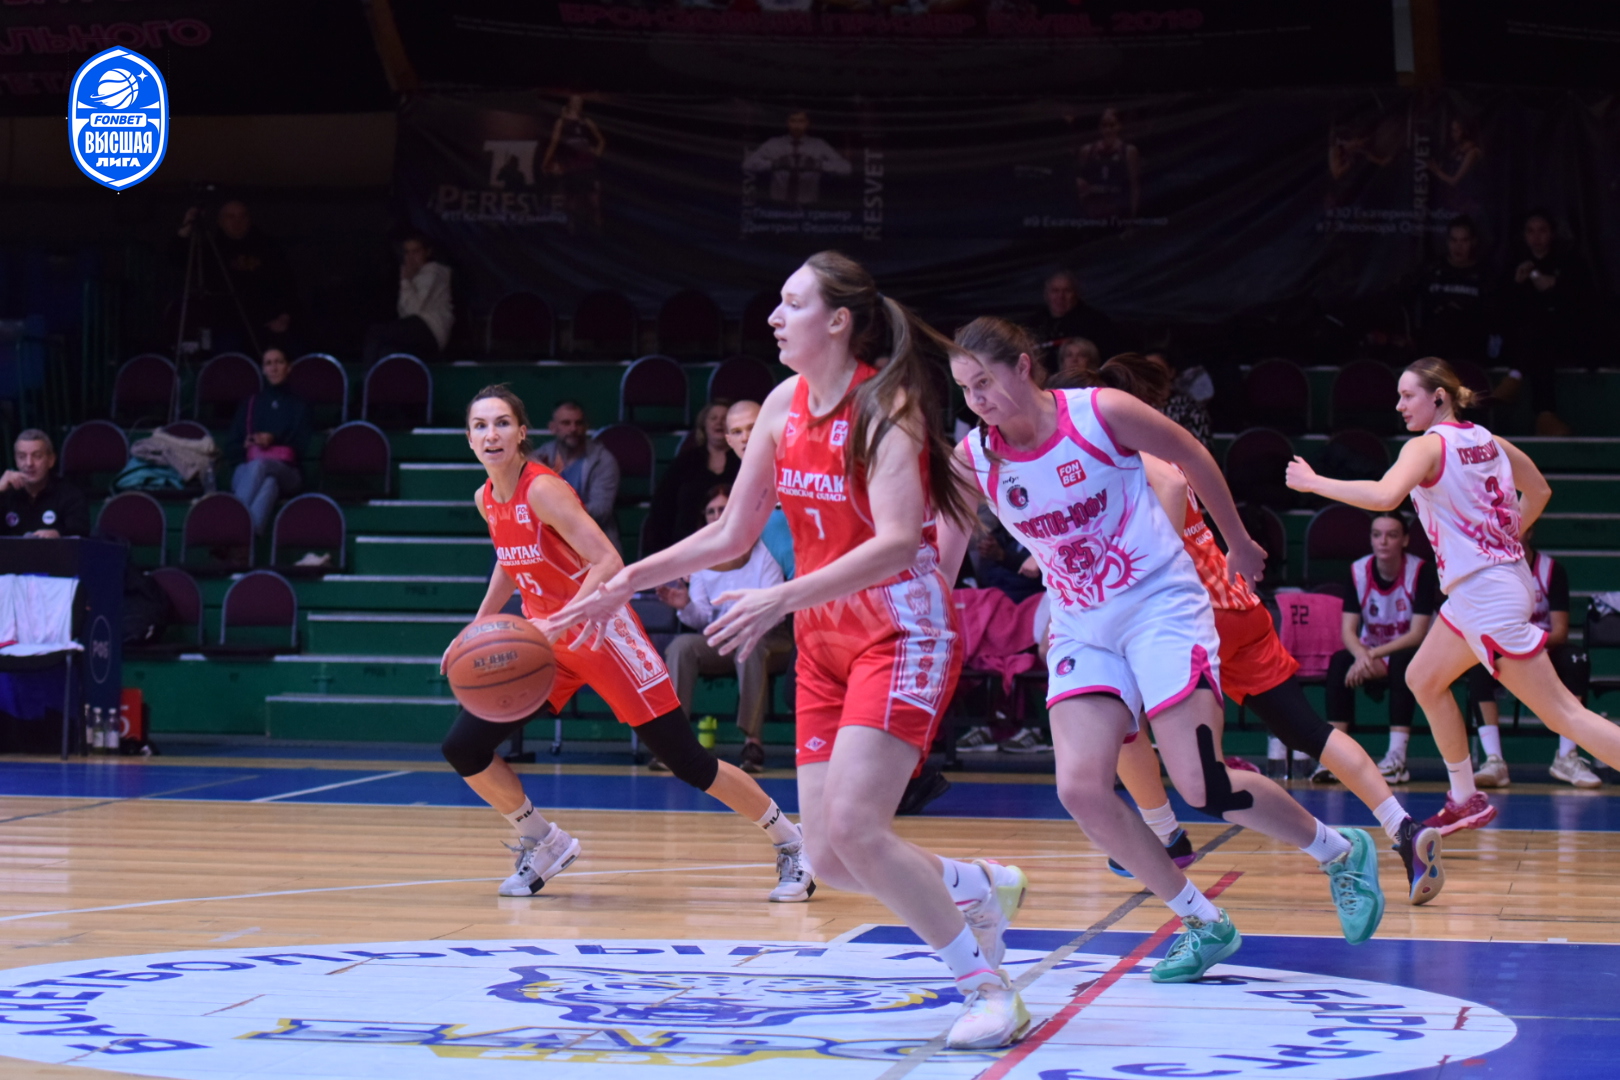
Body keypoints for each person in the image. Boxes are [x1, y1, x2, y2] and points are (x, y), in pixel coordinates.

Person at [552, 252, 1033, 1051]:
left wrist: (781, 596)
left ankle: (988, 991)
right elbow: (734, 534)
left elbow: (897, 543)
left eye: (792, 303)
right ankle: (977, 885)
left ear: (837, 321)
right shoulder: (781, 403)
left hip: (899, 631)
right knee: (830, 857)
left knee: (859, 829)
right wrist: (627, 578)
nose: (774, 317)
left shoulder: (889, 409)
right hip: (823, 641)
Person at [948, 317, 1385, 988]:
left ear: (1023, 367)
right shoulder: (974, 457)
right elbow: (942, 536)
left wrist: (1238, 541)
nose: (977, 400)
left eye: (985, 382)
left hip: (1160, 606)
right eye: (965, 389)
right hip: (1082, 624)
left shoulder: (1100, 413)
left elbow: (1191, 458)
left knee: (1201, 784)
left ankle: (1337, 851)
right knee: (1080, 789)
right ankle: (1202, 921)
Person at [1061, 354, 1442, 906]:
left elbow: (1170, 487)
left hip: (1186, 613)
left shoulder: (1121, 451)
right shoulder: (1118, 448)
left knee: (1113, 706)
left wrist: (1145, 558)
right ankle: (1402, 827)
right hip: (1236, 605)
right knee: (1307, 730)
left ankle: (1165, 835)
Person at [442, 384, 813, 903]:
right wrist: (478, 626)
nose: (491, 434)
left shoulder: (542, 489)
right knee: (464, 746)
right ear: (468, 439)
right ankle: (543, 840)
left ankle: (793, 842)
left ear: (522, 433)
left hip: (601, 634)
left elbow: (608, 562)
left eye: (502, 423)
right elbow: (510, 558)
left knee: (687, 761)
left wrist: (561, 622)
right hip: (545, 644)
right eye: (480, 426)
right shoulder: (487, 499)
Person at [1286, 357, 1620, 836]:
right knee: (1423, 678)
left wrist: (1315, 482)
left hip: (1486, 593)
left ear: (1439, 396)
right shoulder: (1488, 439)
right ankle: (1465, 799)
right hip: (1492, 584)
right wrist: (1502, 541)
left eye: (1408, 395)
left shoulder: (1427, 446)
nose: (1399, 405)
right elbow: (1540, 491)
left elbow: (1384, 497)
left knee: (1564, 714)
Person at [659, 485, 794, 775]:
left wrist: (742, 626)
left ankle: (752, 742)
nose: (717, 515)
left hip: (769, 636)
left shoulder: (764, 549)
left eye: (723, 509)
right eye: (711, 512)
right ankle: (675, 744)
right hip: (722, 638)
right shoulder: (702, 559)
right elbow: (702, 617)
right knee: (682, 646)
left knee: (751, 645)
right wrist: (685, 605)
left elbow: (774, 610)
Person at [1467, 531, 1600, 789]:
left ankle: (1566, 756)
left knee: (1576, 659)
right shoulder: (1487, 569)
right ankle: (1494, 761)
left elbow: (1560, 631)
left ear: (1530, 530)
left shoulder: (1551, 570)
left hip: (1542, 648)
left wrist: (1528, 646)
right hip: (1504, 650)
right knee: (1476, 662)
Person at [1323, 513, 1438, 785]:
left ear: (1405, 540)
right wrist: (1361, 655)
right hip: (1372, 653)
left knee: (1401, 663)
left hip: (1415, 652)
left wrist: (1370, 655)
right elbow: (1348, 631)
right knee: (1339, 662)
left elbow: (1417, 634)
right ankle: (1335, 759)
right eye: (1377, 535)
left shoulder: (1420, 571)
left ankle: (1396, 757)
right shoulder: (1358, 571)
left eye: (1392, 535)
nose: (1383, 541)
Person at [1498, 212, 1590, 436]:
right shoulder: (1516, 264)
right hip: (1525, 340)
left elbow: (1582, 303)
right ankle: (1545, 416)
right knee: (1537, 338)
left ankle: (1515, 377)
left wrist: (1556, 285)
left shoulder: (1568, 263)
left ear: (1552, 233)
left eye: (1542, 231)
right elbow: (1502, 308)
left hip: (1563, 337)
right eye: (1531, 231)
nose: (1536, 237)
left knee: (1541, 331)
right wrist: (1516, 284)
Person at [172, 199, 296, 351]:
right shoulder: (210, 249)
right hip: (225, 326)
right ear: (220, 221)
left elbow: (286, 283)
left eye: (242, 216)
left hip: (266, 324)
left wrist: (284, 316)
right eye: (231, 217)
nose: (238, 221)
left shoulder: (268, 248)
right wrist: (187, 227)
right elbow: (176, 259)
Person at [224, 348, 310, 536]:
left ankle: (229, 527)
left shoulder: (298, 405)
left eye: (279, 362)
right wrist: (246, 445)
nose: (274, 368)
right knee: (269, 483)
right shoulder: (250, 403)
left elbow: (301, 447)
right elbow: (230, 448)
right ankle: (246, 541)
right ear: (263, 369)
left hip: (287, 471)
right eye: (268, 363)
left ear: (288, 367)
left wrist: (273, 439)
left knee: (260, 465)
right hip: (248, 468)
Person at [643, 400, 739, 555]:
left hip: (735, 544)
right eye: (713, 418)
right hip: (686, 545)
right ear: (704, 425)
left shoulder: (743, 461)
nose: (719, 423)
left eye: (724, 418)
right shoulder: (686, 461)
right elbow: (662, 505)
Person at [530, 400, 620, 551]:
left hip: (593, 542)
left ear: (586, 426)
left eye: (578, 423)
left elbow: (601, 509)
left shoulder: (603, 460)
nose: (573, 429)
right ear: (553, 427)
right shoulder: (537, 459)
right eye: (566, 423)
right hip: (549, 540)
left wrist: (556, 517)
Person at [723, 400, 793, 578]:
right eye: (737, 432)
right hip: (792, 589)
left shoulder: (796, 470)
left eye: (752, 428)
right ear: (729, 441)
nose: (745, 437)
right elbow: (738, 556)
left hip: (832, 582)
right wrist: (697, 567)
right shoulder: (741, 492)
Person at [363, 234, 452, 364]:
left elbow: (413, 311)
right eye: (407, 252)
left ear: (427, 252)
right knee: (387, 350)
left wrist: (405, 280)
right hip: (418, 331)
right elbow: (404, 313)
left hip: (431, 330)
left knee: (375, 333)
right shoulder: (413, 275)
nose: (411, 257)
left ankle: (367, 376)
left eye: (416, 251)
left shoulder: (434, 271)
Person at [1412, 216, 1490, 363]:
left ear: (1473, 242)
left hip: (1470, 352)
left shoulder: (1485, 275)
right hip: (1434, 353)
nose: (1458, 247)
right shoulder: (1431, 271)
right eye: (1454, 240)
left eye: (1464, 241)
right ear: (1447, 242)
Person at [742, 110, 852, 205]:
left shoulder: (819, 145)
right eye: (793, 121)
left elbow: (846, 168)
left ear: (807, 123)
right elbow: (747, 165)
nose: (797, 126)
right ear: (787, 122)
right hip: (777, 206)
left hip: (809, 206)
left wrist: (819, 165)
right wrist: (774, 164)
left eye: (801, 121)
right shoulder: (774, 144)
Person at [0, 430, 89, 539]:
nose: (29, 463)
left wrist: (58, 535)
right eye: (22, 457)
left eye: (37, 456)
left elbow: (80, 535)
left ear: (51, 460)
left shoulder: (70, 495)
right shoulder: (6, 494)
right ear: (16, 461)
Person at [542, 95, 606, 229]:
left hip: (587, 164)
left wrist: (596, 154)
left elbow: (601, 140)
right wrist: (546, 162)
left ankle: (598, 227)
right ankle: (571, 228)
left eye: (580, 102)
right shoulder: (562, 122)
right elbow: (554, 143)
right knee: (571, 198)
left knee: (594, 198)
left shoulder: (586, 122)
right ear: (570, 103)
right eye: (575, 101)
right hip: (571, 164)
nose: (578, 104)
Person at [1028, 271, 1121, 361]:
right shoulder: (1034, 324)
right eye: (1055, 291)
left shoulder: (1096, 322)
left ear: (1077, 294)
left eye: (1067, 291)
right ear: (1046, 295)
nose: (1060, 296)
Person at [1075, 107, 1140, 220]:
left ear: (1119, 126)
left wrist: (1132, 219)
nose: (1108, 130)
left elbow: (1134, 187)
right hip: (1093, 215)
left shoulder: (1128, 152)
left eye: (1112, 125)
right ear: (1099, 127)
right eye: (1104, 125)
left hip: (1118, 214)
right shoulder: (1087, 151)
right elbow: (1078, 182)